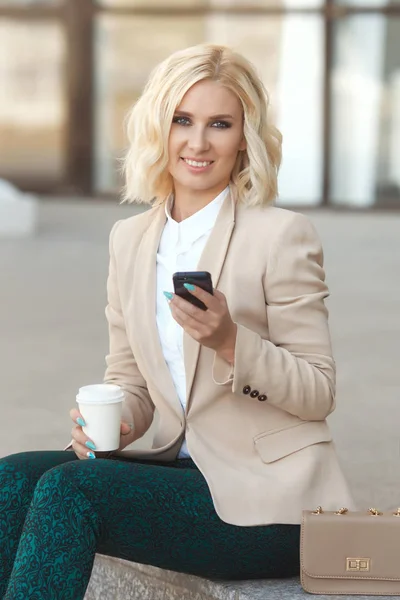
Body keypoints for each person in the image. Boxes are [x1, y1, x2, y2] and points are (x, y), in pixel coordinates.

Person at [0, 43, 354, 600]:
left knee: (72, 492)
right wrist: (117, 422)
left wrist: (232, 342)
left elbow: (318, 391)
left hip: (267, 502)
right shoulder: (131, 240)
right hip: (174, 472)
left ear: (245, 137)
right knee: (14, 477)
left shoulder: (280, 235)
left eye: (220, 124)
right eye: (182, 120)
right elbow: (130, 378)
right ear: (158, 128)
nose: (198, 142)